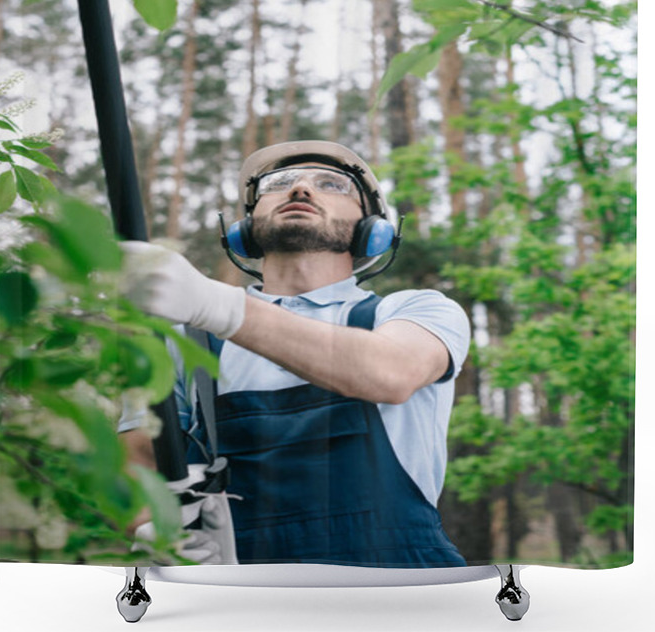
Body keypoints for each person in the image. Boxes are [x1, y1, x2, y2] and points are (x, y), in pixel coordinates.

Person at [119, 140, 470, 568]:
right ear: (245, 226)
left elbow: (390, 372)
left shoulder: (412, 310)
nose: (301, 189)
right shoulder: (182, 341)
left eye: (331, 184)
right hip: (240, 593)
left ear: (370, 228)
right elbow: (133, 465)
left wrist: (218, 306)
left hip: (397, 590)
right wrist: (153, 533)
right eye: (279, 183)